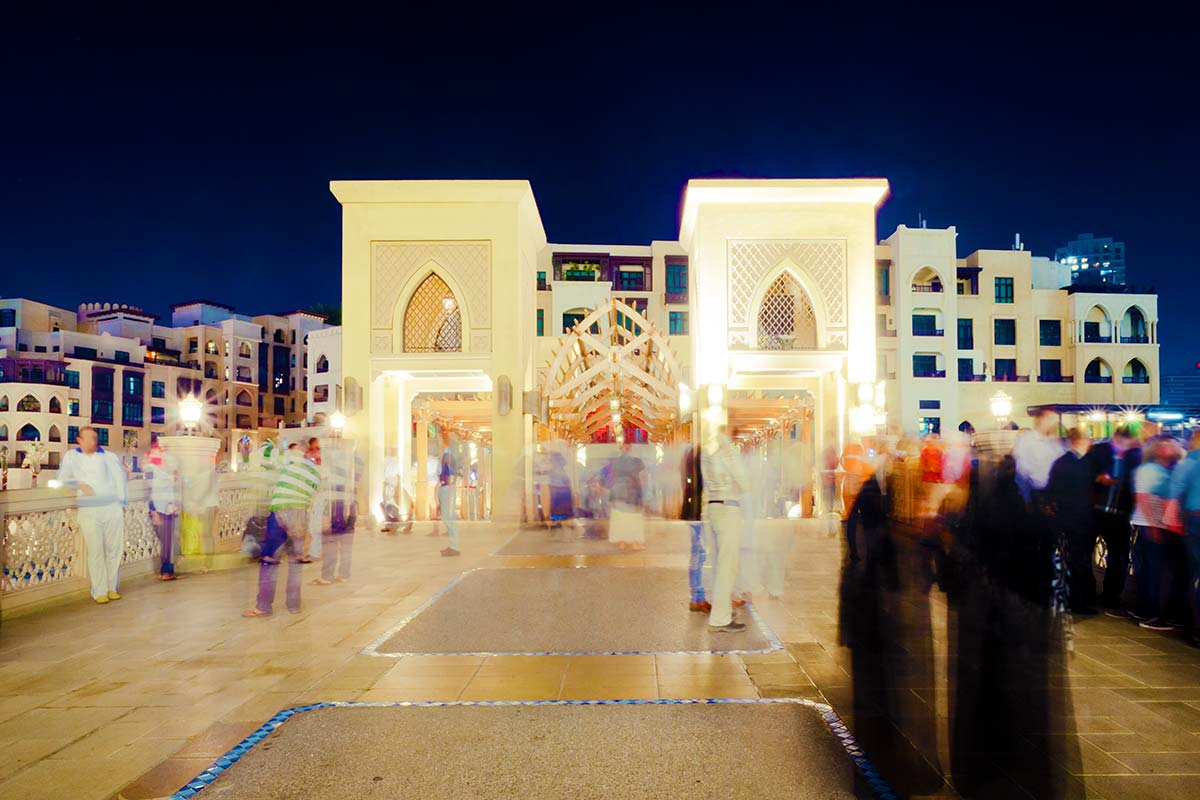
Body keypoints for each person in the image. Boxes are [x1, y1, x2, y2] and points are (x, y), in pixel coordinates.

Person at [243, 443, 321, 617]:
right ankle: (294, 605)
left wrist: (268, 444)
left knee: (268, 560)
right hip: (300, 516)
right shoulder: (317, 474)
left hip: (281, 513)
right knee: (294, 562)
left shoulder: (295, 458)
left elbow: (266, 453)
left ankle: (263, 606)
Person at [58, 427, 127, 604]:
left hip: (111, 508)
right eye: (88, 438)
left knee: (113, 550)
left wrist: (121, 503)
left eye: (95, 438)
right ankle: (99, 591)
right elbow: (62, 478)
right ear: (79, 440)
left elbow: (120, 479)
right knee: (95, 551)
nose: (92, 442)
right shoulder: (71, 457)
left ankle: (112, 587)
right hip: (89, 510)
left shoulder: (109, 456)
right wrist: (79, 484)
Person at [701, 425, 750, 632]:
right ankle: (720, 619)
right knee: (727, 566)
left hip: (713, 508)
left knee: (719, 564)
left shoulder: (707, 455)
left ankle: (720, 611)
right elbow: (745, 483)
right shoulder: (728, 453)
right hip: (728, 509)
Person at [1088, 425, 1141, 614]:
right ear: (1114, 438)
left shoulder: (1134, 457)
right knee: (1086, 551)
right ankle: (1088, 592)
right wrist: (1097, 478)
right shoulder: (1098, 452)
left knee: (1118, 556)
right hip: (1096, 511)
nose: (1122, 448)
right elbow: (1086, 474)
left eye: (1125, 445)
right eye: (1119, 444)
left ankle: (1111, 595)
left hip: (1120, 514)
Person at [1130, 437, 1182, 631]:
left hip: (1153, 525)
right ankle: (1153, 613)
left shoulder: (1162, 469)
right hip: (1153, 526)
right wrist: (1153, 525)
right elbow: (1143, 498)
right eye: (1166, 445)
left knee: (1149, 570)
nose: (1171, 447)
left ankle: (1147, 610)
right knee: (1156, 572)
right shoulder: (1150, 470)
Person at [1046, 428, 1097, 614]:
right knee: (1078, 560)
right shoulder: (1075, 463)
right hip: (1076, 519)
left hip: (1072, 518)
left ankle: (1077, 597)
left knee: (1077, 559)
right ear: (1079, 440)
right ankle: (1077, 601)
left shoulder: (1063, 462)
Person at [1167, 429, 1200, 646]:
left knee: (1195, 574)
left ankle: (1194, 626)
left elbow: (1174, 491)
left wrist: (1172, 522)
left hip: (1194, 519)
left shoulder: (1188, 462)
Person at [145, 443, 182, 581]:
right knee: (166, 541)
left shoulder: (165, 471)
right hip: (159, 509)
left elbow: (172, 489)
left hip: (168, 508)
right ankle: (165, 571)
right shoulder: (154, 470)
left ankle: (168, 571)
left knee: (168, 541)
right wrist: (153, 511)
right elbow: (150, 490)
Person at [681, 444, 710, 613]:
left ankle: (698, 596)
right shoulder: (699, 455)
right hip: (699, 513)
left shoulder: (691, 454)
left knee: (698, 554)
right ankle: (698, 597)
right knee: (700, 554)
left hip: (696, 512)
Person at [608, 446, 647, 551]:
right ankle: (634, 543)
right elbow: (643, 478)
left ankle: (622, 542)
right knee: (633, 518)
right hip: (631, 492)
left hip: (617, 492)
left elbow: (612, 477)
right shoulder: (636, 461)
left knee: (619, 517)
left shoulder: (615, 462)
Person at [438, 438, 462, 556]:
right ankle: (453, 546)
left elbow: (449, 479)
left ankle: (454, 547)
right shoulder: (447, 466)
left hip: (447, 490)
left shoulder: (448, 466)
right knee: (447, 519)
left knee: (449, 519)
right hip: (446, 489)